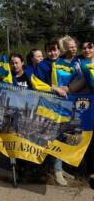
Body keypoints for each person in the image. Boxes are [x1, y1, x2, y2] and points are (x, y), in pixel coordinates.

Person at [35, 40, 75, 186]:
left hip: (64, 106)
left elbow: (74, 80)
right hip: (48, 106)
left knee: (63, 137)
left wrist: (68, 88)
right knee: (51, 137)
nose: (53, 52)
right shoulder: (41, 66)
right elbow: (37, 83)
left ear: (59, 51)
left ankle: (60, 167)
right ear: (46, 52)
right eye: (50, 50)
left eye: (55, 50)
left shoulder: (66, 65)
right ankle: (54, 171)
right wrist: (54, 88)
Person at [69, 41, 94, 189]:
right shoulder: (79, 65)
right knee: (90, 140)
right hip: (87, 107)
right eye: (84, 47)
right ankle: (91, 173)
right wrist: (63, 89)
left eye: (90, 46)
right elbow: (73, 86)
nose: (86, 49)